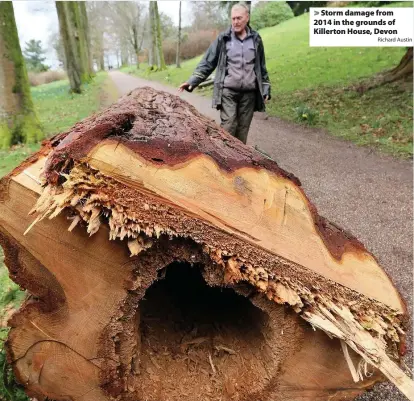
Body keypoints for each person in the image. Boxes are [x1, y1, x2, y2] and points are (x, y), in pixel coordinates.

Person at [178, 2, 271, 144]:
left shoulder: (256, 39)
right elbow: (208, 62)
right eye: (233, 18)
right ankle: (224, 160)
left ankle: (239, 162)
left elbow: (261, 67)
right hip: (228, 92)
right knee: (228, 126)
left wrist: (265, 89)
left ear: (247, 17)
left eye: (239, 18)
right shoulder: (223, 38)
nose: (235, 22)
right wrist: (192, 81)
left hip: (249, 95)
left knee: (242, 130)